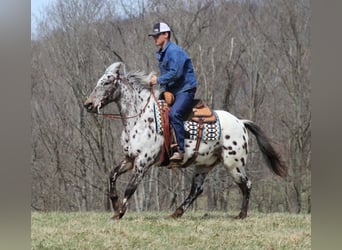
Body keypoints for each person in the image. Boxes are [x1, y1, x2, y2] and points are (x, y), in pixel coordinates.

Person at [149, 22, 198, 162]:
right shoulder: (163, 53)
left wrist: (157, 80)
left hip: (185, 89)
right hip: (173, 90)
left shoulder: (174, 51)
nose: (155, 38)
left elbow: (175, 73)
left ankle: (180, 150)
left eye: (157, 35)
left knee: (174, 113)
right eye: (154, 36)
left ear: (166, 34)